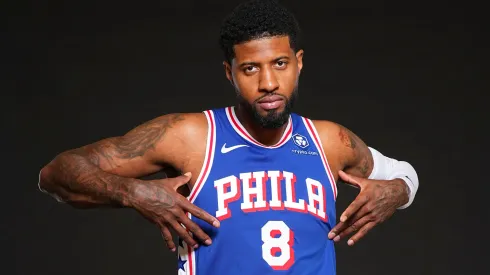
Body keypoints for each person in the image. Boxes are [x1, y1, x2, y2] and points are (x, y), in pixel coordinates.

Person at [38, 0, 419, 274]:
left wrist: (397, 192)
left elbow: (404, 173)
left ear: (299, 63)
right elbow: (57, 174)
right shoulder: (189, 136)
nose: (268, 83)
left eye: (280, 64)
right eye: (251, 68)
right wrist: (134, 193)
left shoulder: (329, 141)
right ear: (229, 72)